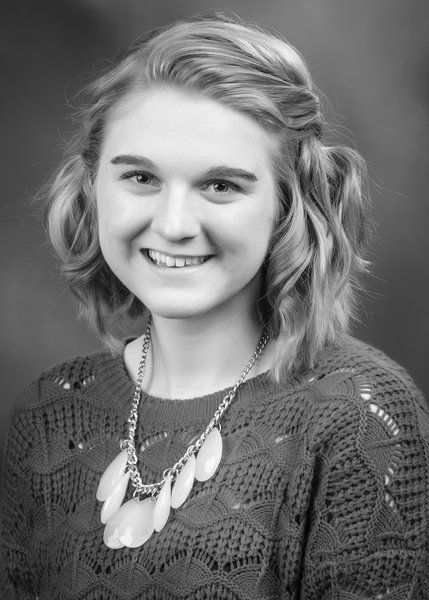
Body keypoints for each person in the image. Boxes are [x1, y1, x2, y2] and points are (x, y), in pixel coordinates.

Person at [1, 12, 428, 600]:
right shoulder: (50, 415)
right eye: (141, 178)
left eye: (221, 185)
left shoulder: (357, 418)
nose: (174, 224)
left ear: (289, 205)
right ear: (92, 186)